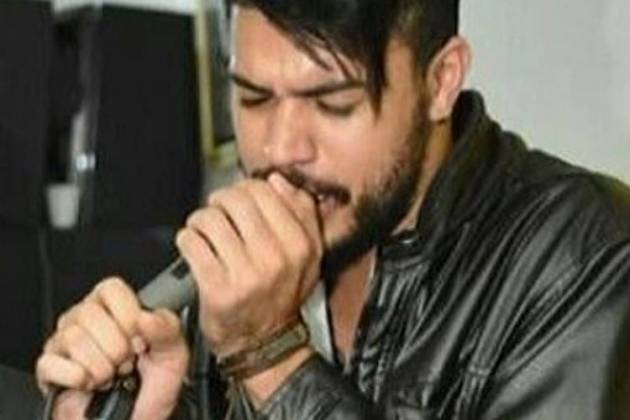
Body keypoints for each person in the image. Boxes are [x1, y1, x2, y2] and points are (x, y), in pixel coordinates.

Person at [35, 0, 630, 418]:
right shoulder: (246, 260)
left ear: (441, 80)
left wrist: (269, 358)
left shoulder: (583, 254)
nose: (280, 150)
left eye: (333, 103)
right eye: (254, 97)